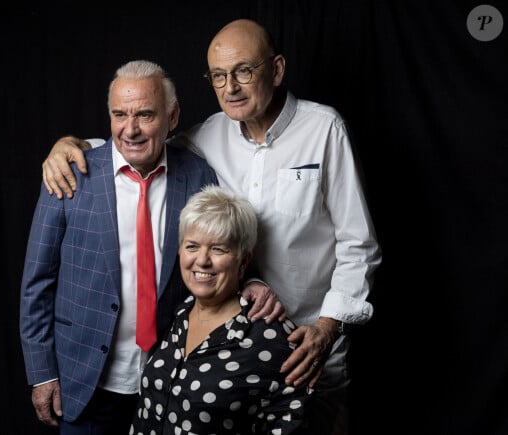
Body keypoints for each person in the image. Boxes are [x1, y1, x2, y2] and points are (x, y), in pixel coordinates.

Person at [41, 18, 382, 434]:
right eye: (218, 76)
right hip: (229, 347)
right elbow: (140, 145)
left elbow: (358, 245)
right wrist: (76, 146)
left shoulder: (325, 129)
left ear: (275, 70)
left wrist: (326, 330)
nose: (231, 87)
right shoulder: (208, 135)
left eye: (243, 71)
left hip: (306, 348)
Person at [20, 59, 283, 435]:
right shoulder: (69, 177)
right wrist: (41, 373)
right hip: (83, 382)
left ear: (172, 117)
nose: (131, 129)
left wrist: (251, 281)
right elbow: (37, 282)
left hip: (167, 382)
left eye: (145, 114)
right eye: (119, 114)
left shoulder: (197, 176)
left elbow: (218, 250)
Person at [130, 185, 313, 434]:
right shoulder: (180, 314)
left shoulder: (274, 338)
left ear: (243, 260)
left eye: (218, 249)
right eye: (192, 246)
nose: (202, 260)